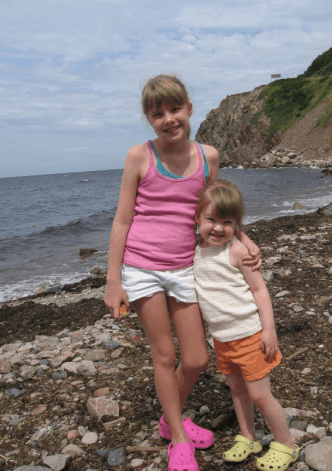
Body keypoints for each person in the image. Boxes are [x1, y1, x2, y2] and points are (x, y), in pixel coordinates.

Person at [104, 75, 261, 471]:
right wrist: (113, 281)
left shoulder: (207, 156)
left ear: (189, 109)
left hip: (185, 266)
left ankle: (167, 415)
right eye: (158, 114)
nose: (168, 119)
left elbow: (215, 206)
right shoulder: (139, 156)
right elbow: (122, 220)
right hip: (142, 269)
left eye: (175, 110)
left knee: (195, 359)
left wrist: (242, 237)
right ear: (149, 120)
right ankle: (177, 436)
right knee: (164, 353)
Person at [194, 179, 299, 471]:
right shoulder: (195, 250)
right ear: (197, 218)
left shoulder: (238, 251)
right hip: (222, 339)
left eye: (227, 222)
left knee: (259, 393)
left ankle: (287, 445)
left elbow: (259, 290)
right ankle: (249, 437)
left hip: (250, 335)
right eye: (211, 219)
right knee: (237, 391)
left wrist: (269, 329)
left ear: (237, 224)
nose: (218, 228)